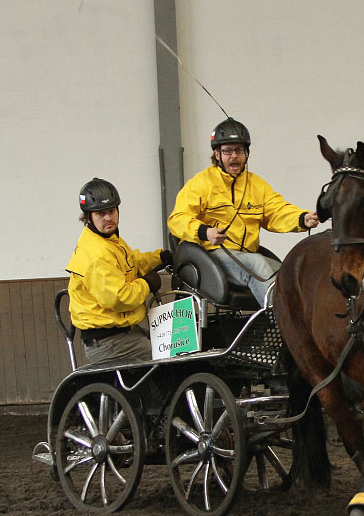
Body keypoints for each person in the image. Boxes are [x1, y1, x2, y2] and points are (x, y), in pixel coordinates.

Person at [167, 117, 319, 306]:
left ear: (246, 153)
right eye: (227, 151)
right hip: (211, 255)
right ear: (217, 154)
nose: (234, 156)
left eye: (239, 150)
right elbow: (177, 219)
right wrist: (205, 232)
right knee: (258, 265)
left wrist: (302, 218)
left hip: (247, 255)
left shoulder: (256, 185)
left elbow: (276, 211)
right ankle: (281, 325)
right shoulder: (200, 183)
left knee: (288, 272)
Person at [66, 177, 172, 364]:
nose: (108, 217)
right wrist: (146, 284)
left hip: (123, 332)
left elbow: (131, 261)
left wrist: (160, 257)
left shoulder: (109, 241)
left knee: (169, 344)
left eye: (111, 211)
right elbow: (119, 298)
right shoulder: (95, 253)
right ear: (88, 217)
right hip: (108, 341)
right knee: (166, 360)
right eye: (100, 213)